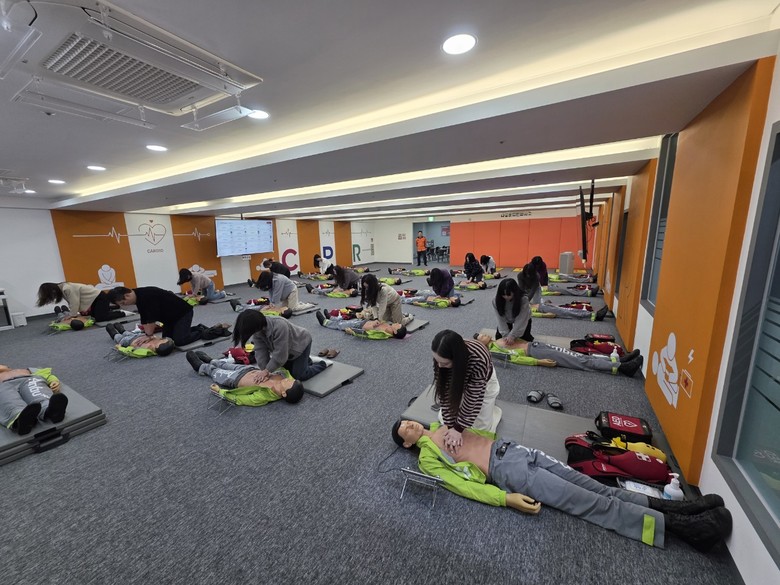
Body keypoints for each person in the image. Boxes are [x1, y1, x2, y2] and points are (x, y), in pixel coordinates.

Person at [391, 420, 732, 552]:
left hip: (515, 450)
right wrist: (504, 498)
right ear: (407, 443)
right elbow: (461, 487)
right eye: (404, 429)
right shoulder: (427, 458)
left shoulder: (443, 419)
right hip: (508, 473)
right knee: (590, 503)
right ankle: (682, 528)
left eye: (407, 421)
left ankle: (672, 506)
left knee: (597, 488)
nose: (410, 425)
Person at [431, 330, 502, 449]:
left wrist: (458, 429)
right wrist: (451, 427)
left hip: (484, 381)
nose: (439, 366)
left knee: (481, 429)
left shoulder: (478, 359)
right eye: (437, 361)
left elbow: (473, 397)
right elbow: (444, 392)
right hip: (458, 378)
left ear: (457, 359)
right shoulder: (440, 357)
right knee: (445, 420)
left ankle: (493, 410)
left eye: (444, 363)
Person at [480, 334, 644, 377]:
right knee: (579, 360)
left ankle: (615, 360)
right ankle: (621, 368)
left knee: (577, 355)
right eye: (481, 337)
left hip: (537, 345)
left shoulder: (498, 338)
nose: (484, 335)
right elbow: (516, 359)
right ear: (481, 344)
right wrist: (538, 362)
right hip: (536, 352)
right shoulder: (494, 350)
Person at [232, 311, 326, 381]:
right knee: (284, 370)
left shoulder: (280, 326)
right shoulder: (258, 332)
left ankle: (322, 364)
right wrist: (265, 370)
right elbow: (260, 352)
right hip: (288, 350)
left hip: (301, 344)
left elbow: (280, 356)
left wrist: (267, 371)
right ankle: (306, 361)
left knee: (299, 376)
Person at [185, 351, 304, 405]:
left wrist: (221, 391)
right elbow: (284, 368)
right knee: (225, 364)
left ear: (284, 393)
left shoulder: (265, 396)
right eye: (292, 380)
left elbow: (243, 399)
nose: (289, 379)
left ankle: (201, 367)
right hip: (248, 369)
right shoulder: (284, 376)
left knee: (216, 372)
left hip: (235, 379)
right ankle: (212, 361)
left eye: (290, 382)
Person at [108, 286, 207, 347]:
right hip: (169, 319)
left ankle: (201, 331)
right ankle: (194, 328)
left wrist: (148, 335)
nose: (125, 305)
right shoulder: (138, 296)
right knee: (166, 340)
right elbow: (144, 317)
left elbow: (151, 318)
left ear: (127, 295)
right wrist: (147, 335)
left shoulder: (147, 295)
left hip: (183, 313)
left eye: (123, 303)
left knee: (180, 341)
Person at [0, 365, 68, 435]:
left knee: (38, 392)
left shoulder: (26, 370)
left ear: (8, 367)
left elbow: (46, 375)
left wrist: (53, 381)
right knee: (9, 400)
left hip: (28, 380)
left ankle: (52, 411)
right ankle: (20, 419)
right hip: (2, 386)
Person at [37, 282, 127, 322]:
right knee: (92, 317)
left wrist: (72, 315)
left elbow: (74, 302)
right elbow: (72, 302)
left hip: (100, 297)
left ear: (52, 290)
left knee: (100, 318)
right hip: (94, 299)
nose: (53, 297)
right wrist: (74, 314)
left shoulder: (66, 288)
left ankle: (123, 313)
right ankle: (110, 307)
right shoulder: (62, 288)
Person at [315, 310, 407, 339]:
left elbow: (367, 334)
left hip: (358, 326)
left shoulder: (382, 334)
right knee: (344, 322)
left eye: (398, 325)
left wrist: (353, 332)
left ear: (395, 331)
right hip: (362, 322)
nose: (397, 323)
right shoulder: (389, 326)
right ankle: (331, 318)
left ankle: (325, 322)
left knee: (341, 325)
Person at [493, 279, 533, 343]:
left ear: (515, 292)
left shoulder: (523, 299)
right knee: (499, 338)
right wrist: (506, 335)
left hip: (523, 318)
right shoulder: (496, 301)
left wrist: (512, 335)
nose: (506, 297)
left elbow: (521, 319)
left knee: (525, 339)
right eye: (503, 295)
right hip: (507, 319)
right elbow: (500, 319)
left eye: (508, 295)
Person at [105, 323, 176, 357]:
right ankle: (121, 329)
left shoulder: (145, 351)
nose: (158, 339)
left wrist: (120, 348)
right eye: (160, 339)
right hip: (138, 335)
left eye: (157, 342)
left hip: (127, 341)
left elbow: (131, 351)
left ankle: (112, 330)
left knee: (117, 336)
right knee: (126, 332)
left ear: (155, 348)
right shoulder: (158, 341)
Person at [536, 298, 609, 321]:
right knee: (567, 312)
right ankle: (595, 316)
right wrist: (543, 315)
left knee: (570, 309)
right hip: (542, 309)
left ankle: (593, 314)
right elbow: (530, 314)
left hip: (543, 305)